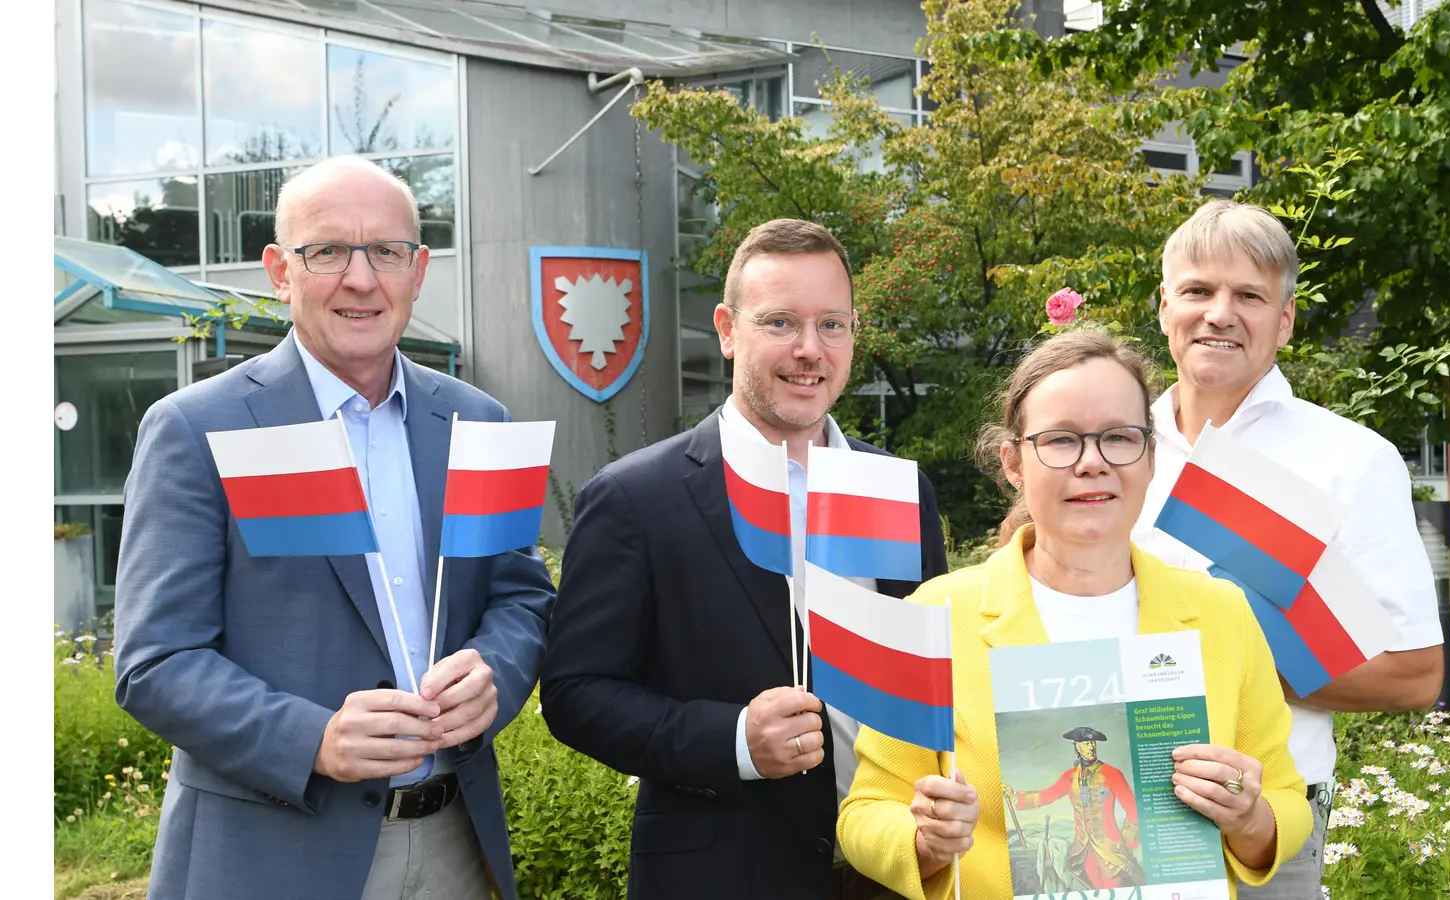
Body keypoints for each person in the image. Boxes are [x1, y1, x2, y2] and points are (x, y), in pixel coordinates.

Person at [113, 155, 555, 900]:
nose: (361, 279)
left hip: (457, 845)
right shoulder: (201, 427)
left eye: (385, 252)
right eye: (328, 252)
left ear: (416, 272)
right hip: (274, 852)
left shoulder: (477, 422)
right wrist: (312, 740)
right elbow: (155, 661)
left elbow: (520, 597)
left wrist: (496, 674)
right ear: (280, 272)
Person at [540, 218, 949, 900]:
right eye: (781, 322)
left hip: (894, 872)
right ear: (729, 330)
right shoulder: (636, 497)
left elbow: (937, 675)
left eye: (833, 325)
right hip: (723, 874)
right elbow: (577, 695)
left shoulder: (900, 488)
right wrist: (731, 738)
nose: (809, 350)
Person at [838, 328, 1309, 899]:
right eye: (1061, 441)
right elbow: (866, 813)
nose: (1093, 463)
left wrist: (1250, 819)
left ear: (1151, 457)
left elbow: (1283, 797)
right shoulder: (936, 615)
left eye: (1119, 437)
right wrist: (925, 839)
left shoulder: (1220, 613)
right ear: (1014, 462)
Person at [1132, 199, 1446, 898]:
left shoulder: (1350, 459)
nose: (1219, 313)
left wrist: (1235, 669)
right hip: (1118, 803)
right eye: (1197, 290)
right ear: (1163, 307)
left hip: (1268, 814)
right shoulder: (1114, 446)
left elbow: (1414, 674)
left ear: (1286, 319)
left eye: (1248, 295)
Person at [1005, 727, 1143, 891]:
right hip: (1082, 852)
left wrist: (1127, 842)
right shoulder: (1070, 777)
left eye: (1093, 742)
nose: (1091, 747)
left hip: (1111, 851)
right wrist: (1015, 796)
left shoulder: (1112, 773)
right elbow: (1046, 795)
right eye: (1086, 743)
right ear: (1077, 746)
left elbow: (1134, 809)